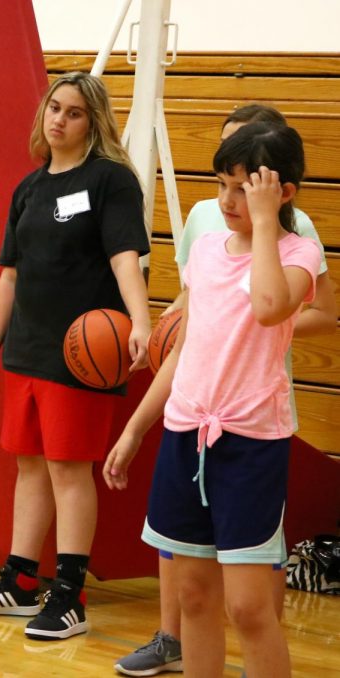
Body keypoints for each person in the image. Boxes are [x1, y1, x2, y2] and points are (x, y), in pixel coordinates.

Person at [114, 104, 337, 677]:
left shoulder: (298, 253)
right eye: (222, 185)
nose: (228, 201)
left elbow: (268, 308)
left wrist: (265, 224)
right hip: (185, 434)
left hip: (250, 445)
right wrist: (138, 427)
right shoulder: (208, 252)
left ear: (282, 192)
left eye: (243, 189)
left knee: (249, 607)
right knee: (193, 598)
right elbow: (186, 346)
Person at [0, 71, 150, 640]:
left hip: (82, 353)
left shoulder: (111, 181)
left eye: (74, 112)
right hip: (28, 350)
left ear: (94, 123)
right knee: (31, 466)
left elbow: (124, 258)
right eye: (53, 108)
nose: (58, 119)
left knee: (68, 467)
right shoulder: (29, 188)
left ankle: (69, 594)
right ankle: (19, 581)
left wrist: (139, 320)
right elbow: (9, 275)